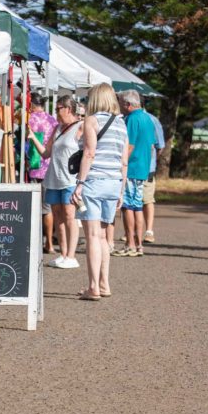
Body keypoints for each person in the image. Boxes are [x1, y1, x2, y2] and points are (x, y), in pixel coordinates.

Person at [71, 83, 128, 301]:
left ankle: (93, 286)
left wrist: (80, 182)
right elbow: (124, 161)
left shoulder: (91, 121)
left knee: (92, 235)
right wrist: (121, 189)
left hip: (94, 181)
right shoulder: (121, 124)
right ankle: (104, 283)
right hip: (114, 183)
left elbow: (89, 153)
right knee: (103, 235)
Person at [28, 95, 82, 269]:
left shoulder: (80, 127)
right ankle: (63, 254)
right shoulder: (58, 128)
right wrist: (33, 137)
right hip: (54, 178)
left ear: (69, 109)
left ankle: (72, 256)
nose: (56, 112)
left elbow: (88, 150)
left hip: (70, 179)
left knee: (69, 216)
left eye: (59, 108)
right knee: (58, 216)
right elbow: (46, 153)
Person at [113, 89, 155, 258]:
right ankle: (138, 245)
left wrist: (120, 165)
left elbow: (128, 146)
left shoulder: (131, 119)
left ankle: (130, 243)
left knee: (127, 207)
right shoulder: (148, 119)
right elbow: (152, 146)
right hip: (143, 168)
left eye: (122, 103)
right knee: (137, 206)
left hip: (130, 168)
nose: (121, 106)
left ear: (128, 104)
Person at [26, 92, 59, 253]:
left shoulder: (29, 119)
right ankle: (50, 244)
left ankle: (37, 242)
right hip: (50, 166)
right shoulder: (52, 120)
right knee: (48, 208)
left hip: (35, 166)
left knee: (36, 207)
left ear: (31, 104)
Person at [144, 104, 165, 243]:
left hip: (147, 168)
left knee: (147, 199)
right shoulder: (125, 119)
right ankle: (131, 232)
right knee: (130, 201)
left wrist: (151, 160)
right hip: (130, 167)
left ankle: (149, 230)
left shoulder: (152, 120)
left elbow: (160, 146)